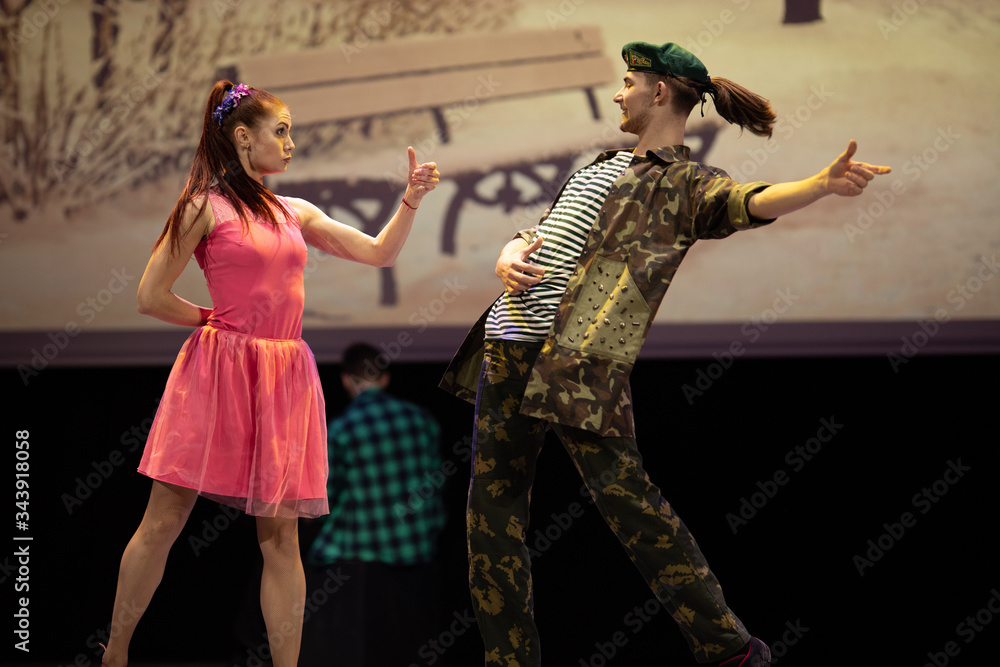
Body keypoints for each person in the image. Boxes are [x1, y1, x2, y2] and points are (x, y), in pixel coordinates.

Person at [439, 41, 891, 667]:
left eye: (628, 82)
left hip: (579, 362)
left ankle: (729, 649)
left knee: (631, 506)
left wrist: (817, 185)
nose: (619, 93)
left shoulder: (685, 183)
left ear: (659, 92)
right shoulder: (599, 165)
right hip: (508, 344)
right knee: (491, 517)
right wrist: (512, 249)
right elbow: (548, 231)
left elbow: (749, 202)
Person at [100, 80, 440, 667]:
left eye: (290, 132)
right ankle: (117, 653)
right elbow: (151, 296)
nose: (290, 144)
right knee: (165, 519)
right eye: (280, 131)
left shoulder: (295, 212)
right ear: (242, 137)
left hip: (283, 375)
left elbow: (379, 253)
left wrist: (409, 198)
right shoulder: (203, 206)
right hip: (218, 371)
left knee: (280, 538)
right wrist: (215, 320)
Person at [300, 343, 446, 667]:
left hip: (357, 566)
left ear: (347, 381)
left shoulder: (340, 429)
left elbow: (320, 502)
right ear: (385, 378)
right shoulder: (423, 421)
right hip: (418, 556)